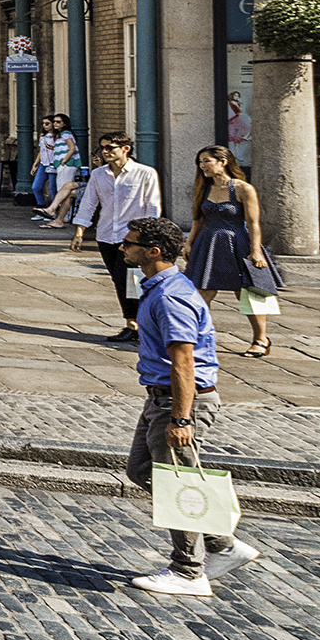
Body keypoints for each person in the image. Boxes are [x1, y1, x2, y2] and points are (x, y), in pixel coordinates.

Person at [121, 216, 255, 596]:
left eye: (129, 243)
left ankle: (188, 570)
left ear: (154, 251)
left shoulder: (171, 296)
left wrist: (182, 418)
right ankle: (221, 544)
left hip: (178, 401)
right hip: (160, 397)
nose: (122, 247)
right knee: (142, 469)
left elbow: (184, 360)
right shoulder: (159, 286)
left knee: (175, 482)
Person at [68, 133, 163, 342]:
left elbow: (153, 206)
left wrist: (149, 237)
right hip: (106, 236)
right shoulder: (99, 174)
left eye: (110, 147)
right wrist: (79, 232)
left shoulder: (145, 173)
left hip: (134, 239)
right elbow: (89, 203)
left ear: (126, 148)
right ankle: (136, 324)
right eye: (102, 147)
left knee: (129, 280)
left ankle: (135, 325)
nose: (105, 151)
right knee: (119, 280)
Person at [186, 144, 278, 358]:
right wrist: (189, 242)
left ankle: (260, 338)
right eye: (200, 162)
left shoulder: (243, 188)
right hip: (208, 241)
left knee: (247, 292)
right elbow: (197, 219)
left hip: (237, 241)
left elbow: (253, 223)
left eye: (206, 161)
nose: (202, 166)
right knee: (202, 292)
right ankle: (199, 339)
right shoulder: (204, 187)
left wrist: (256, 251)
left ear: (223, 162)